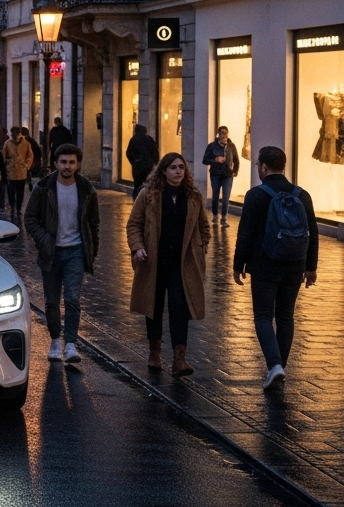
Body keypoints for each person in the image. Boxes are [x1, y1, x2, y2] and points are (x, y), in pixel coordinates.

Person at [232, 146, 320, 390]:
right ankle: (280, 367)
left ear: (263, 167)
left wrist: (238, 264)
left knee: (263, 316)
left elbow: (245, 234)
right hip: (295, 264)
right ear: (284, 165)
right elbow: (312, 232)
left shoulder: (255, 195)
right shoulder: (302, 195)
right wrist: (311, 267)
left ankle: (275, 365)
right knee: (285, 317)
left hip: (264, 265)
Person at [127, 153, 211, 377]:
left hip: (182, 264)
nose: (178, 172)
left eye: (181, 167)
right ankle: (154, 353)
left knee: (179, 308)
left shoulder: (193, 197)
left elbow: (204, 226)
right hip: (153, 261)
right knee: (152, 307)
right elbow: (134, 224)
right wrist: (138, 247)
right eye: (173, 168)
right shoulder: (149, 195)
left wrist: (201, 248)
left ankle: (179, 359)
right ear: (163, 171)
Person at [24, 144, 101, 364]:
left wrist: (91, 250)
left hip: (76, 250)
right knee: (51, 301)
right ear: (56, 163)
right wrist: (45, 240)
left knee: (72, 298)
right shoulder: (44, 188)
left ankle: (70, 344)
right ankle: (55, 341)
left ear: (78, 165)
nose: (68, 166)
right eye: (64, 162)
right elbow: (30, 219)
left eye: (72, 162)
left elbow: (93, 223)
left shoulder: (86, 189)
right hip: (51, 252)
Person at [201, 125, 241, 227]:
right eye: (222, 133)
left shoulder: (231, 146)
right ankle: (215, 216)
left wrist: (235, 171)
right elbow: (204, 160)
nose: (224, 135)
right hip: (216, 174)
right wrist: (215, 160)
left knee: (226, 196)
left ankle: (224, 218)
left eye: (226, 133)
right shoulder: (212, 146)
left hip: (228, 174)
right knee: (215, 195)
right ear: (218, 134)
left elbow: (236, 160)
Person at [2, 127, 33, 214]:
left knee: (20, 191)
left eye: (15, 135)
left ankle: (18, 207)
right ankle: (12, 206)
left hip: (21, 172)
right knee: (11, 191)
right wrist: (7, 162)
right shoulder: (7, 143)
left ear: (19, 134)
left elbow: (30, 156)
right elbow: (4, 156)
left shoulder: (26, 143)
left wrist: (27, 165)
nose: (14, 137)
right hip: (10, 171)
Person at [126, 124, 158, 198]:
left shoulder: (134, 139)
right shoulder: (149, 139)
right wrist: (154, 162)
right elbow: (155, 152)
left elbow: (128, 153)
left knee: (137, 184)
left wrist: (133, 162)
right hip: (149, 165)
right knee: (149, 184)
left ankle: (137, 200)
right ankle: (148, 199)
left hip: (138, 166)